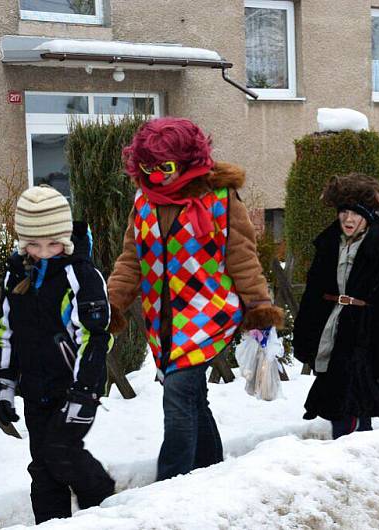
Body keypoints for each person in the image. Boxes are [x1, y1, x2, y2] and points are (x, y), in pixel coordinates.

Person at [107, 117, 282, 480]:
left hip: (208, 312)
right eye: (148, 167)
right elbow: (131, 259)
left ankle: (170, 484)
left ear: (187, 160)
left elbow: (242, 257)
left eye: (165, 167)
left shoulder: (219, 198)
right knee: (192, 398)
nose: (157, 175)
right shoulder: (143, 202)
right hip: (164, 319)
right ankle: (209, 473)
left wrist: (259, 307)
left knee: (178, 394)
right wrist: (112, 303)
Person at [0, 185, 115, 524]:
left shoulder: (81, 275)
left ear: (66, 238)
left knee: (62, 453)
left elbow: (94, 336)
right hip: (34, 389)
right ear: (22, 242)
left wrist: (85, 391)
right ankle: (51, 524)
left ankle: (109, 510)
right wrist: (4, 385)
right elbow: (6, 332)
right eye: (33, 244)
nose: (44, 252)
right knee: (43, 469)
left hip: (73, 387)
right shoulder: (17, 273)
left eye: (53, 243)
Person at [293, 173, 379, 438]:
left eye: (355, 213)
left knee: (354, 402)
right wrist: (306, 335)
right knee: (336, 403)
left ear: (367, 214)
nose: (348, 219)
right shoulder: (328, 244)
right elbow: (313, 294)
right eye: (343, 211)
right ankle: (348, 451)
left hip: (364, 334)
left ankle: (354, 452)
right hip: (331, 331)